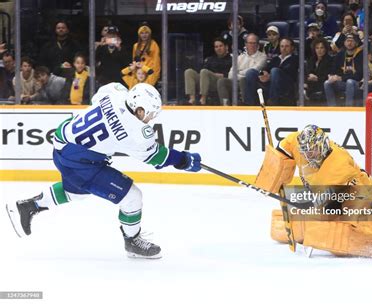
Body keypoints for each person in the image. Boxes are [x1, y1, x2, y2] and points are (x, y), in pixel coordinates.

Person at [6, 83, 202, 259]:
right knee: (132, 197)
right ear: (140, 110)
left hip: (63, 144)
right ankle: (132, 240)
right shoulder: (135, 131)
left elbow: (96, 101)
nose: (150, 120)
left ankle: (29, 205)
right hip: (79, 161)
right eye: (150, 115)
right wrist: (184, 159)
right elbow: (157, 158)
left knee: (78, 192)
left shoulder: (114, 91)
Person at [255, 124, 372, 259]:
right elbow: (284, 148)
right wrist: (276, 170)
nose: (307, 155)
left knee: (351, 222)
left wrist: (311, 206)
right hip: (329, 192)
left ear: (322, 146)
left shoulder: (338, 164)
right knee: (316, 220)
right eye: (305, 151)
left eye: (312, 151)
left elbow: (332, 200)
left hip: (355, 192)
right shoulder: (297, 142)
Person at [244, 37, 299, 106]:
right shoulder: (276, 59)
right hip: (271, 82)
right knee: (251, 72)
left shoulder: (295, 59)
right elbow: (266, 69)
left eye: (287, 46)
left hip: (286, 84)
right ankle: (249, 103)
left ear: (292, 48)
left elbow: (290, 72)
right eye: (282, 46)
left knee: (274, 70)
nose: (284, 48)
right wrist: (263, 73)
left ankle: (273, 101)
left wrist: (271, 75)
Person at [216, 33, 266, 105]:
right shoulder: (240, 57)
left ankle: (245, 105)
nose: (251, 45)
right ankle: (225, 105)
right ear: (245, 45)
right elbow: (230, 74)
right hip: (236, 82)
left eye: (254, 43)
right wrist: (240, 74)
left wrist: (238, 72)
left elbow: (253, 71)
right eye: (249, 43)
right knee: (222, 81)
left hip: (252, 83)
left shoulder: (262, 57)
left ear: (258, 45)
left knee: (244, 80)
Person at [184, 37, 232, 105]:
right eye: (216, 47)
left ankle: (203, 99)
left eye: (221, 46)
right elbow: (202, 71)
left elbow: (231, 75)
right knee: (189, 72)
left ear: (226, 47)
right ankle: (192, 99)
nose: (218, 48)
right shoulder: (210, 59)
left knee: (204, 72)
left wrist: (215, 74)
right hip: (206, 80)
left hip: (220, 83)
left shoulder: (231, 60)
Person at [324, 34, 363, 106]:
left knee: (350, 82)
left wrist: (341, 78)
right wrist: (331, 76)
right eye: (347, 41)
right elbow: (334, 69)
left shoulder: (361, 55)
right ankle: (332, 108)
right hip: (342, 82)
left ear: (356, 43)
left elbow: (359, 75)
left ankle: (348, 108)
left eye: (352, 41)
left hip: (357, 83)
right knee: (327, 83)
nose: (349, 43)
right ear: (344, 43)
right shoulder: (340, 54)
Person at [305, 37, 333, 103]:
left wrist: (317, 78)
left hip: (322, 86)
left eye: (321, 48)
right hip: (310, 85)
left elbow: (328, 76)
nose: (319, 50)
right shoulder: (311, 60)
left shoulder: (330, 60)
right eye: (317, 48)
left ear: (325, 49)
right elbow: (306, 73)